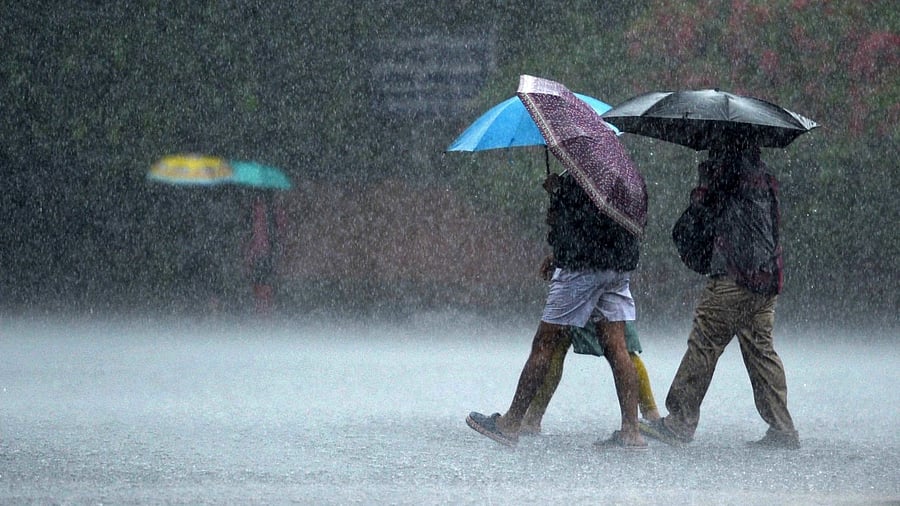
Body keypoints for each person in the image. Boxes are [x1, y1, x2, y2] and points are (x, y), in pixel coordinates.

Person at [466, 171, 647, 449]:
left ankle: (512, 421)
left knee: (545, 342)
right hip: (618, 267)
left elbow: (575, 225)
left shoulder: (580, 177)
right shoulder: (624, 175)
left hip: (582, 269)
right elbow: (614, 224)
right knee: (618, 347)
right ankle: (631, 431)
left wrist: (559, 196)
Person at [640, 135, 800, 449]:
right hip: (767, 278)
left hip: (735, 276)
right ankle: (782, 428)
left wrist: (705, 180)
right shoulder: (764, 176)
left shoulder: (725, 174)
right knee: (761, 351)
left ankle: (679, 422)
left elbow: (698, 216)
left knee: (704, 342)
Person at [519, 319, 661, 436]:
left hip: (580, 291)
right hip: (606, 289)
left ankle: (531, 418)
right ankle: (648, 416)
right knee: (620, 346)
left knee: (556, 341)